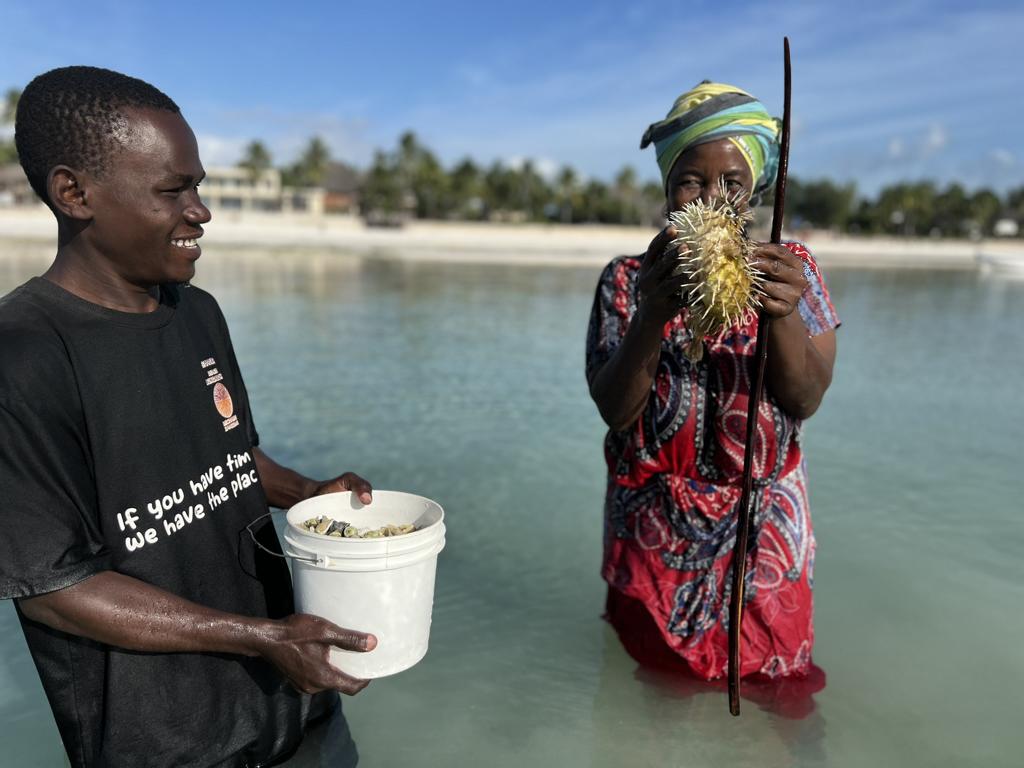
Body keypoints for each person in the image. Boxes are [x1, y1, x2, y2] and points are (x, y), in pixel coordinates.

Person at [0, 66, 377, 768]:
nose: (200, 210)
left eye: (197, 185)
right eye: (173, 190)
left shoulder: (195, 311)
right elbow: (57, 590)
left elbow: (230, 456)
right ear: (74, 194)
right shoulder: (23, 358)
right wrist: (258, 637)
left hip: (295, 705)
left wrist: (306, 493)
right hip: (166, 744)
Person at [586, 82, 839, 682]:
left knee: (778, 696)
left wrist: (779, 314)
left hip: (762, 528)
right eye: (691, 181)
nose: (713, 197)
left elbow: (806, 398)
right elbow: (616, 411)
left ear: (754, 191)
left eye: (732, 182)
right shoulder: (627, 278)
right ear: (669, 189)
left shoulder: (793, 270)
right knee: (653, 696)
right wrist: (651, 313)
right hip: (652, 529)